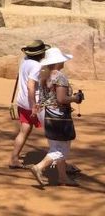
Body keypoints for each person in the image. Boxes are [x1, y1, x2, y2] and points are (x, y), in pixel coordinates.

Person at [30, 47, 85, 187]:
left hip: (46, 114)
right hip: (58, 115)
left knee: (55, 145)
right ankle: (39, 167)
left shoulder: (44, 75)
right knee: (62, 149)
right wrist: (75, 98)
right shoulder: (60, 77)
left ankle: (63, 177)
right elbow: (61, 99)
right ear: (58, 61)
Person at [9, 39, 48, 169]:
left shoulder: (24, 60)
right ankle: (62, 165)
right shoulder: (36, 66)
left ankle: (14, 158)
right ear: (40, 54)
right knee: (54, 133)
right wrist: (34, 106)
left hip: (22, 101)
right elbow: (31, 86)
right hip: (33, 103)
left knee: (24, 130)